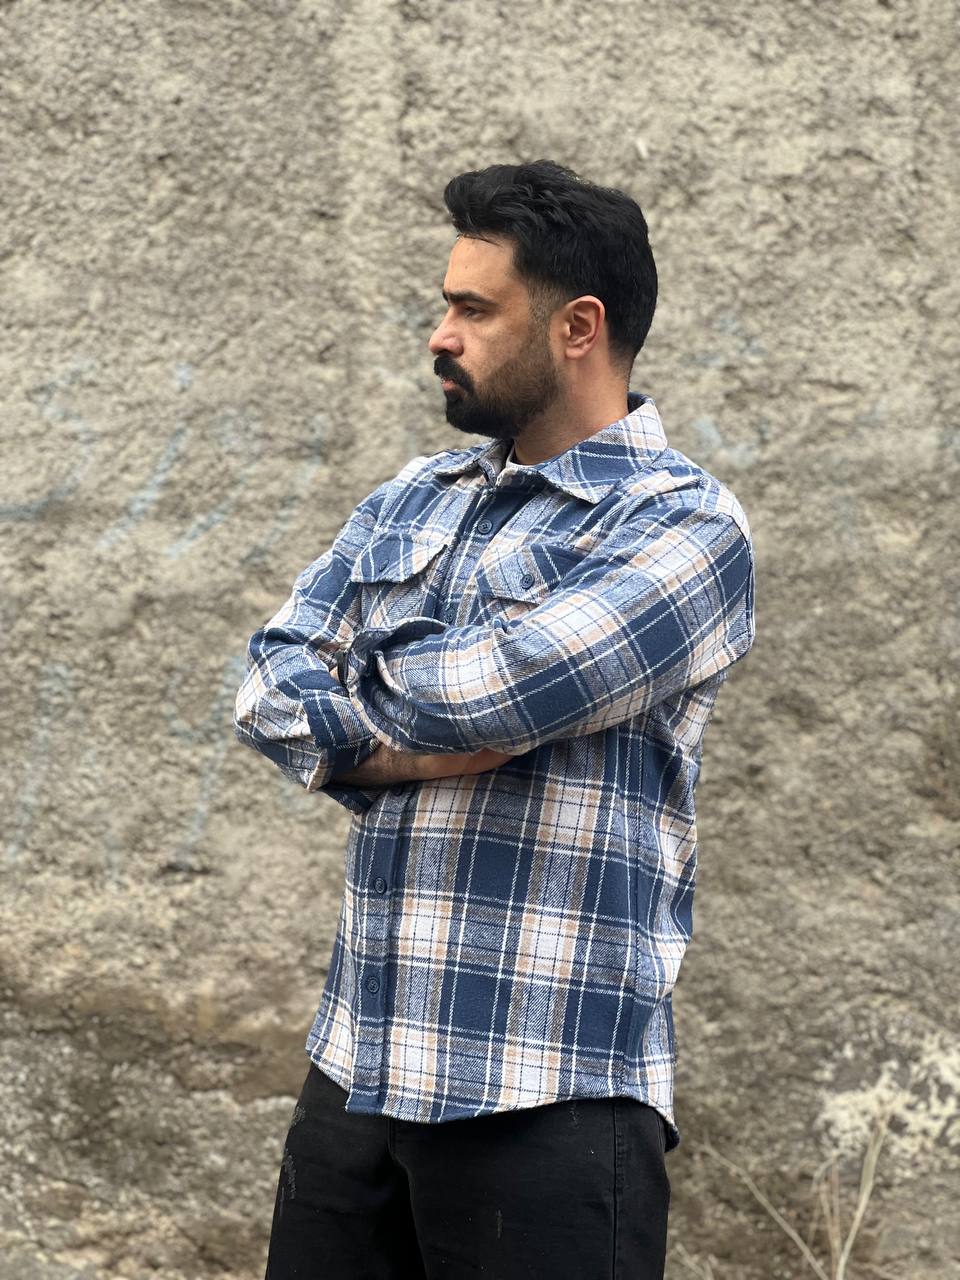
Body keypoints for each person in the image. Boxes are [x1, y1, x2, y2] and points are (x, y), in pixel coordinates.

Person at [234, 159, 755, 1280]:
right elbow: (267, 685)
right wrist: (420, 741)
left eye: (474, 309)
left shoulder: (684, 525)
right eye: (446, 305)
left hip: (548, 1092)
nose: (441, 335)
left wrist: (362, 686)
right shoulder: (414, 497)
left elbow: (504, 688)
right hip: (356, 1075)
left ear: (578, 327)